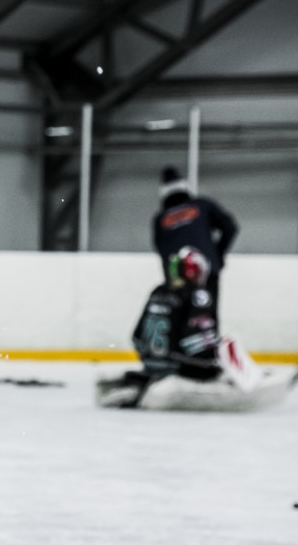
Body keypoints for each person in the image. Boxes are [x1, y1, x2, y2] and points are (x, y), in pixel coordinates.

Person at [102, 246, 221, 408]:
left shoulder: (158, 291)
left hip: (151, 365)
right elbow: (196, 343)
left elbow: (137, 336)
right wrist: (215, 355)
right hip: (179, 367)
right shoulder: (198, 295)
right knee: (214, 370)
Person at [152, 166, 238, 315]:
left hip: (176, 278)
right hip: (207, 271)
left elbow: (161, 250)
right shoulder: (203, 205)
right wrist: (217, 256)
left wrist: (169, 280)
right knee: (206, 320)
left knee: (178, 322)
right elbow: (230, 227)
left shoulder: (160, 219)